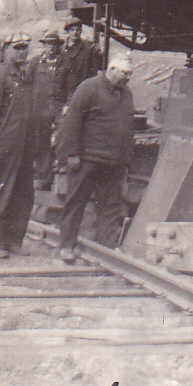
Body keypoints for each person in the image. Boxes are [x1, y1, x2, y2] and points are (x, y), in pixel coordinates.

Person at [55, 55, 136, 262]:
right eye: (125, 73)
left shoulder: (126, 93)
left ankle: (107, 246)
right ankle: (67, 246)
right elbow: (72, 122)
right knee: (76, 203)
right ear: (111, 70)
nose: (128, 78)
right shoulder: (88, 88)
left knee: (110, 205)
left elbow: (127, 125)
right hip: (87, 160)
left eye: (130, 74)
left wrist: (126, 159)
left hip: (113, 162)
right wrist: (72, 154)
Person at [0, 32, 45, 257]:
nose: (22, 51)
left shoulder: (27, 74)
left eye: (25, 47)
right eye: (17, 47)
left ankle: (13, 240)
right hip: (4, 145)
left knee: (23, 195)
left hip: (25, 145)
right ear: (5, 50)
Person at [31, 30, 68, 190]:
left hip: (59, 106)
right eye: (49, 44)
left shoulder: (65, 63)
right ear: (44, 45)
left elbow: (72, 86)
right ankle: (43, 178)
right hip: (40, 107)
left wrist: (68, 104)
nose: (52, 47)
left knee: (63, 135)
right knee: (41, 141)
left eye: (54, 44)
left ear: (58, 46)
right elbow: (27, 82)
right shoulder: (36, 62)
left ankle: (61, 170)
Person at [60, 17, 104, 99]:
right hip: (65, 89)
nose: (75, 32)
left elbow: (99, 67)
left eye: (78, 30)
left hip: (82, 88)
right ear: (67, 31)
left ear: (81, 31)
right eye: (72, 30)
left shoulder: (89, 47)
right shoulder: (61, 49)